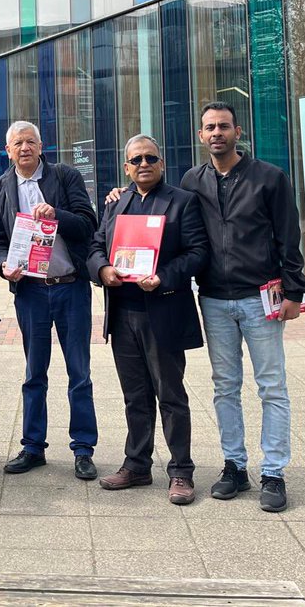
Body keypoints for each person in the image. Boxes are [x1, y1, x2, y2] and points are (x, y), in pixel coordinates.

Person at [183, 102, 305, 513]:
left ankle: (273, 472)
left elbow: (289, 238)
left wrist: (295, 292)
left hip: (261, 298)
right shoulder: (191, 181)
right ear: (201, 136)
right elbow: (167, 214)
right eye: (209, 128)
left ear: (237, 131)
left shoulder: (269, 178)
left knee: (272, 386)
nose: (216, 133)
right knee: (224, 386)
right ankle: (234, 466)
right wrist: (120, 193)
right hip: (215, 298)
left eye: (223, 126)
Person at [88, 135, 208, 504]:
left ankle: (181, 472)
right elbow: (95, 245)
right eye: (136, 159)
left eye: (150, 158)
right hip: (124, 314)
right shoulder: (116, 204)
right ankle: (137, 465)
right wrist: (102, 269)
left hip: (163, 311)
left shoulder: (182, 202)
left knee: (171, 395)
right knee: (135, 396)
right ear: (126, 167)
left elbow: (198, 252)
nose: (143, 164)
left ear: (161, 163)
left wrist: (164, 276)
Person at [0, 121, 100, 480]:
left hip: (69, 287)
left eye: (30, 141)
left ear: (41, 146)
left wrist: (57, 215)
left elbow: (88, 224)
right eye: (17, 143)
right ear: (8, 150)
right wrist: (4, 264)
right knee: (34, 373)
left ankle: (83, 449)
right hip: (31, 291)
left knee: (79, 373)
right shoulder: (1, 187)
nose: (24, 147)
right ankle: (33, 446)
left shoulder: (65, 176)